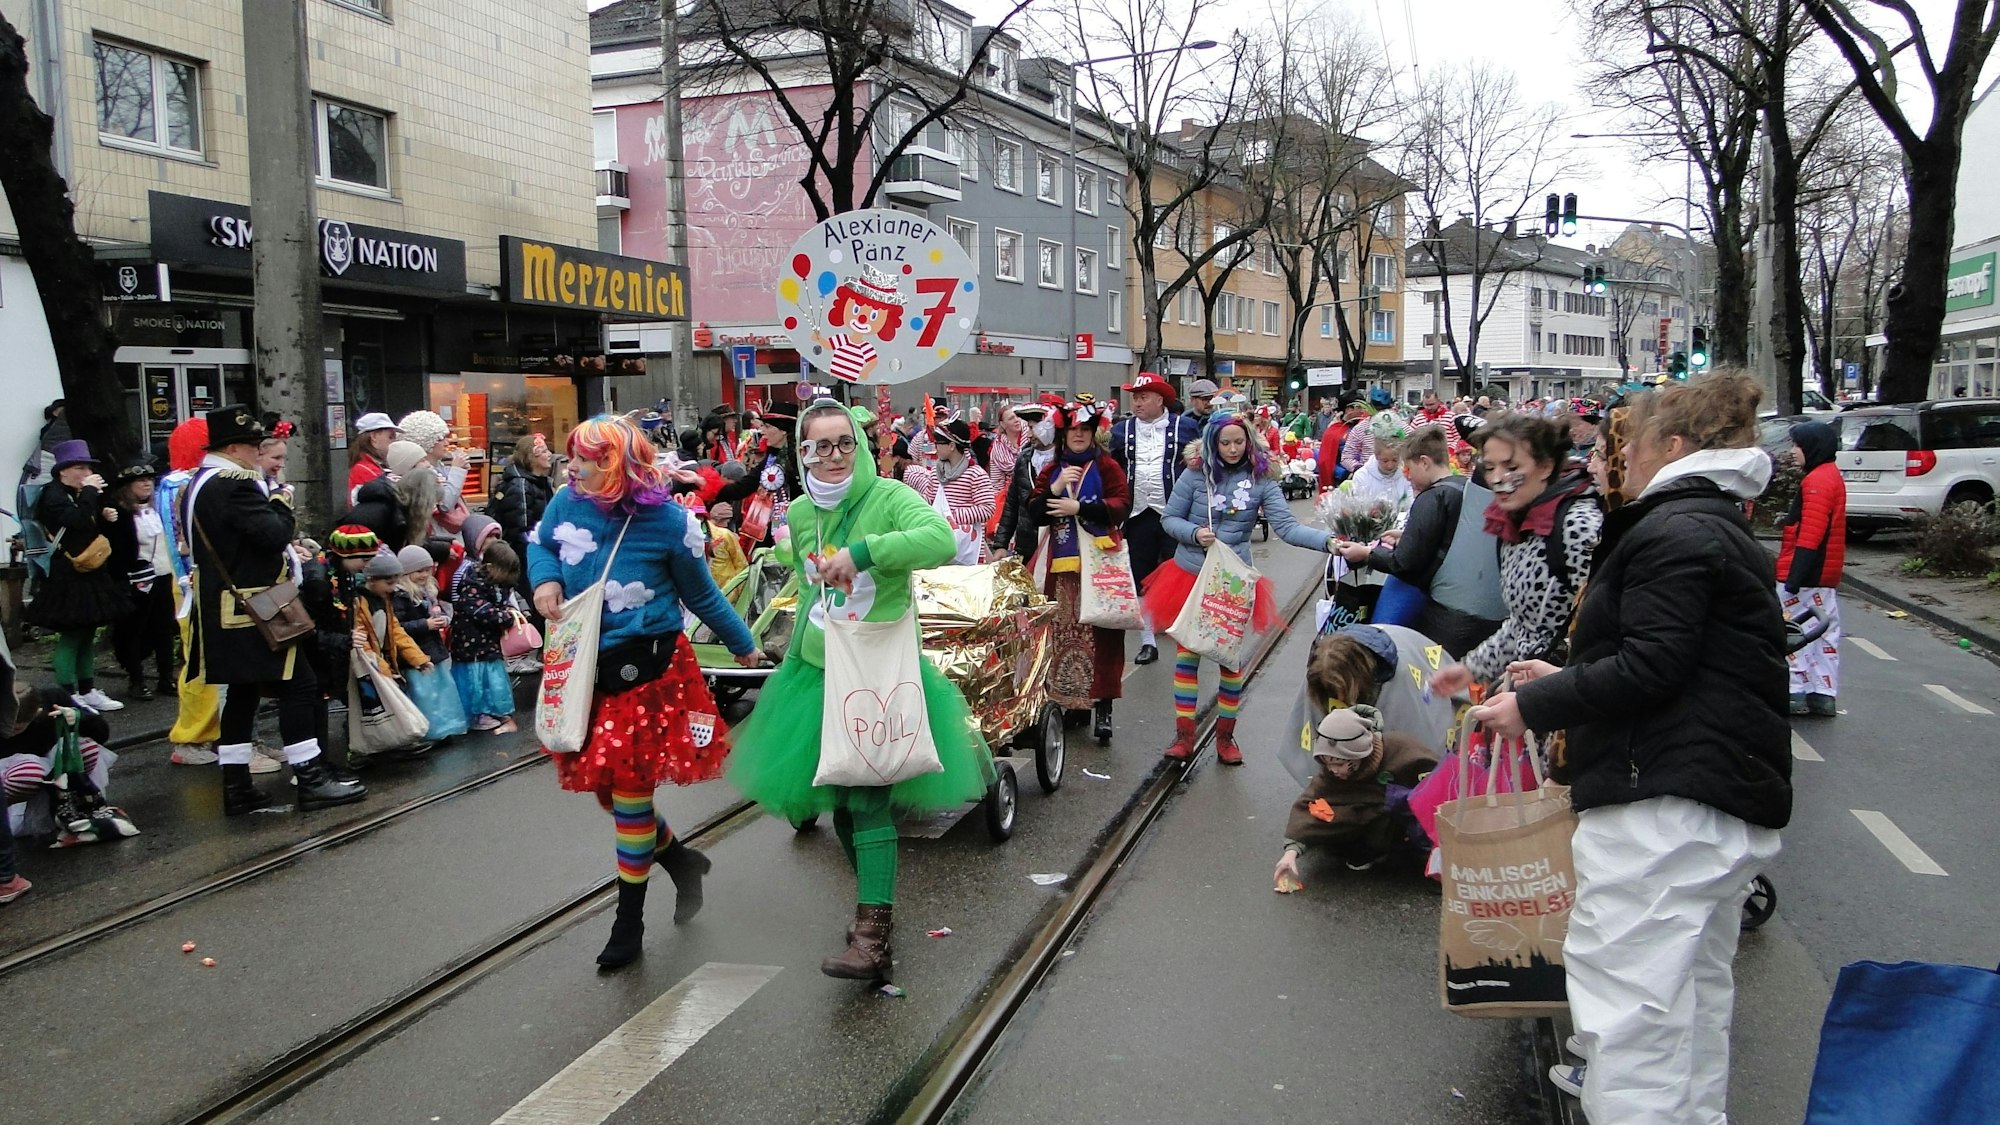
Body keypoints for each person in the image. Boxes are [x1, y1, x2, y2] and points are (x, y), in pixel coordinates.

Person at [1471, 372, 1788, 1125]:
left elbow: (1653, 664)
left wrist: (1537, 702)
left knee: (1632, 1021)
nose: (1619, 461)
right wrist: (1570, 677)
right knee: (1687, 1012)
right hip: (1707, 793)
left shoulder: (1672, 529)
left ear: (1672, 446)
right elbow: (1677, 659)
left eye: (1632, 445)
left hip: (1662, 806)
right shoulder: (1712, 523)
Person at [727, 401, 994, 983]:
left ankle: (873, 934)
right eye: (819, 446)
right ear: (801, 453)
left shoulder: (888, 497)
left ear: (860, 444)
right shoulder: (800, 513)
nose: (833, 456)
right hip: (818, 671)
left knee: (868, 796)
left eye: (844, 443)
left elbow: (938, 542)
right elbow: (807, 582)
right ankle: (876, 915)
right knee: (842, 804)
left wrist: (864, 553)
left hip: (878, 670)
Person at [529, 416, 760, 971]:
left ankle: (627, 923)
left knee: (629, 798)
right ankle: (681, 862)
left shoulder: (670, 522)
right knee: (614, 794)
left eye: (585, 458)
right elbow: (539, 545)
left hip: (649, 678)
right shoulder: (565, 503)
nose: (573, 467)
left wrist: (744, 646)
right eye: (572, 457)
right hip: (585, 672)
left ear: (614, 464)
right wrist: (545, 580)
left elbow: (702, 593)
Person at [186, 406, 367, 814]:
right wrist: (281, 501)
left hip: (225, 607)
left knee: (243, 693)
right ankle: (310, 777)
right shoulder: (234, 484)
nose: (258, 453)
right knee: (300, 687)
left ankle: (236, 785)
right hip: (256, 610)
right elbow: (273, 534)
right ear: (233, 447)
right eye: (253, 446)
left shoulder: (200, 482)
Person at [1145, 413, 1340, 764]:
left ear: (1248, 441)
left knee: (1229, 661)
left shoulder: (1262, 479)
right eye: (1225, 442)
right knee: (1188, 658)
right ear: (1212, 444)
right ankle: (1184, 736)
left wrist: (1330, 542)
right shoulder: (1193, 475)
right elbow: (1168, 519)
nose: (1233, 449)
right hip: (1190, 575)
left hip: (1231, 580)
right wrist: (1193, 534)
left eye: (1239, 442)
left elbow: (1287, 527)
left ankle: (1225, 738)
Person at [1428, 414, 1602, 698]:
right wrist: (1470, 668)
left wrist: (1563, 687)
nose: (1497, 479)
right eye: (1490, 467)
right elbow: (1524, 624)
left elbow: (1607, 634)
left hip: (1573, 702)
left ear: (1545, 467)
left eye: (1511, 467)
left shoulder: (1578, 527)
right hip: (1534, 696)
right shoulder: (1515, 521)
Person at [1335, 425, 1503, 658]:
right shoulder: (1461, 487)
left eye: (1409, 468)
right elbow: (1451, 539)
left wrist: (1366, 554)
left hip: (1446, 615)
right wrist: (1407, 536)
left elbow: (1405, 564)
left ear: (1424, 462)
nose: (1408, 476)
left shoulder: (1432, 498)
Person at [1027, 398, 1132, 743]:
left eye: (1085, 430)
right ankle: (1070, 704)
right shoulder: (1051, 470)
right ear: (1063, 434)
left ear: (1093, 434)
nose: (1079, 436)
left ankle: (1103, 706)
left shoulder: (1106, 467)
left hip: (1099, 565)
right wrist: (1055, 491)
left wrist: (1081, 506)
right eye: (1073, 430)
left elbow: (1121, 505)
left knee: (1103, 633)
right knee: (1060, 634)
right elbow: (1035, 511)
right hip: (1061, 566)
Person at [1274, 705, 1437, 888]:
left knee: (1406, 804)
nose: (1333, 770)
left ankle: (1427, 862)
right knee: (1330, 810)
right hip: (1377, 826)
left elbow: (1441, 788)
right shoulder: (1332, 772)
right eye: (1327, 764)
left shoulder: (1404, 751)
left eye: (1339, 764)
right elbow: (1308, 804)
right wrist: (1290, 854)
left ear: (1359, 754)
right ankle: (1367, 848)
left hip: (1412, 824)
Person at [27, 439, 130, 712]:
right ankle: (66, 694)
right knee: (72, 634)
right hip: (66, 576)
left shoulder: (74, 493)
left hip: (88, 572)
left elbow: (85, 522)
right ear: (63, 471)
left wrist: (103, 514)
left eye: (87, 468)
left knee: (88, 633)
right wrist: (89, 495)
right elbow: (75, 521)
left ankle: (87, 689)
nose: (86, 473)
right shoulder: (53, 496)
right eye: (80, 468)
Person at [1109, 373, 1203, 666]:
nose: (1137, 403)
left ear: (1160, 399)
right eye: (1135, 398)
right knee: (1140, 578)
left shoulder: (1185, 426)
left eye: (1143, 397)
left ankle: (1188, 633)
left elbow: (1201, 462)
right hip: (1137, 515)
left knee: (1183, 573)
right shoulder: (1121, 431)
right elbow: (1113, 467)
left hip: (1175, 514)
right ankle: (1148, 641)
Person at [156, 419, 233, 766]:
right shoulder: (179, 485)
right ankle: (192, 736)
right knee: (201, 661)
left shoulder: (191, 482)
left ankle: (216, 731)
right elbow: (179, 541)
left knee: (211, 660)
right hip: (194, 584)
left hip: (201, 582)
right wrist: (191, 582)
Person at [1777, 420, 1846, 717]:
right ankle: (1823, 694)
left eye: (1797, 445)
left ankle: (1794, 692)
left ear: (1811, 447)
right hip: (1825, 575)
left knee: (1792, 631)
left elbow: (1812, 533)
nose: (1793, 451)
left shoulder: (1816, 481)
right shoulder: (1831, 475)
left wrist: (1794, 578)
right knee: (1824, 633)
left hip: (1805, 573)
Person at [105, 459, 175, 702]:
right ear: (127, 486)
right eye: (140, 480)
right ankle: (137, 680)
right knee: (134, 630)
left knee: (164, 629)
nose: (147, 483)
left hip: (164, 575)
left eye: (149, 479)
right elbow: (117, 550)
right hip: (136, 580)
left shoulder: (159, 509)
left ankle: (167, 677)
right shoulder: (119, 514)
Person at [392, 544, 468, 741]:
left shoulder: (427, 592)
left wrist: (441, 619)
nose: (424, 574)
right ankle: (431, 731)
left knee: (442, 692)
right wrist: (425, 624)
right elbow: (398, 627)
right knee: (426, 695)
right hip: (416, 654)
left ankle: (447, 727)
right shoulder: (400, 596)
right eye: (419, 571)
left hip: (433, 649)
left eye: (427, 569)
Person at [451, 539, 522, 735]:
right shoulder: (473, 583)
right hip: (470, 641)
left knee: (492, 674)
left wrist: (513, 611)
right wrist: (505, 617)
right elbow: (479, 609)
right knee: (475, 678)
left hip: (488, 640)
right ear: (490, 567)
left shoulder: (498, 583)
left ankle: (493, 709)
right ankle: (477, 714)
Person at [714, 402, 802, 550]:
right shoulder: (770, 459)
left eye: (767, 427)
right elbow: (745, 486)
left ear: (783, 431)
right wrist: (708, 487)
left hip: (797, 528)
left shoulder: (800, 460)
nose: (762, 432)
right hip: (769, 531)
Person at [492, 433, 556, 597]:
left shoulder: (541, 482)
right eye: (544, 451)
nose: (549, 455)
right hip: (526, 559)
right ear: (531, 457)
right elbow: (521, 530)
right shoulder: (520, 485)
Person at [992, 400, 1057, 559]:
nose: (1028, 434)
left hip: (1059, 543)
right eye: (1028, 428)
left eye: (1033, 428)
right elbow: (1012, 503)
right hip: (1027, 543)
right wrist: (1001, 544)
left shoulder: (1065, 460)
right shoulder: (1025, 458)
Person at [396, 410, 472, 537]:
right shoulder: (420, 474)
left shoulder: (438, 466)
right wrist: (457, 471)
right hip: (438, 535)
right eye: (441, 439)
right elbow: (445, 504)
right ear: (427, 442)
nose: (447, 443)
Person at [346, 413, 400, 502]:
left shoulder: (372, 466)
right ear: (374, 436)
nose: (394, 441)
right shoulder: (366, 470)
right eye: (391, 437)